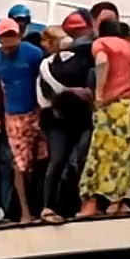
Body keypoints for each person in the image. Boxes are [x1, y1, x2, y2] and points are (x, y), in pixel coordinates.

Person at [79, 18, 130, 216]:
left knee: (100, 155)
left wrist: (100, 93)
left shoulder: (102, 44)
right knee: (126, 157)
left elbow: (102, 62)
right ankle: (118, 202)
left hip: (112, 108)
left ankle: (92, 204)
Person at [0, 18, 46, 224]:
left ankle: (42, 207)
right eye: (5, 36)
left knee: (40, 160)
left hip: (36, 111)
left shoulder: (32, 53)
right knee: (19, 164)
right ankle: (24, 212)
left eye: (12, 35)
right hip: (12, 114)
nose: (9, 40)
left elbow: (42, 78)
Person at [38, 18, 96, 222]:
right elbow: (45, 94)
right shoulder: (47, 65)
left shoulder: (82, 60)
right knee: (58, 160)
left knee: (79, 160)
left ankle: (76, 204)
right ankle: (49, 206)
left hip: (81, 117)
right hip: (58, 118)